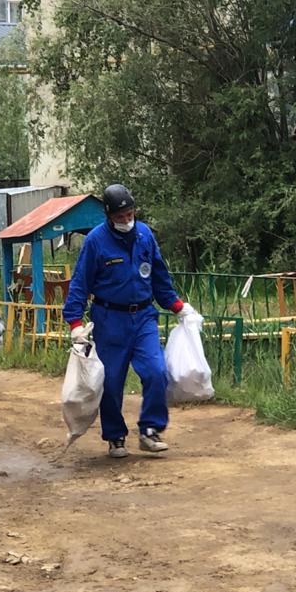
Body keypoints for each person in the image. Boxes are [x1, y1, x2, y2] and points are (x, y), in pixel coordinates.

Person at [63, 184, 197, 458]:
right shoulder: (96, 242)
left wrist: (177, 306)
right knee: (111, 382)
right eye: (120, 216)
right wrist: (75, 323)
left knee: (156, 371)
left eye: (129, 214)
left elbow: (159, 276)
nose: (126, 220)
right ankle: (115, 436)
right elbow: (80, 283)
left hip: (144, 317)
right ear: (109, 215)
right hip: (110, 319)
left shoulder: (145, 235)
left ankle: (150, 429)